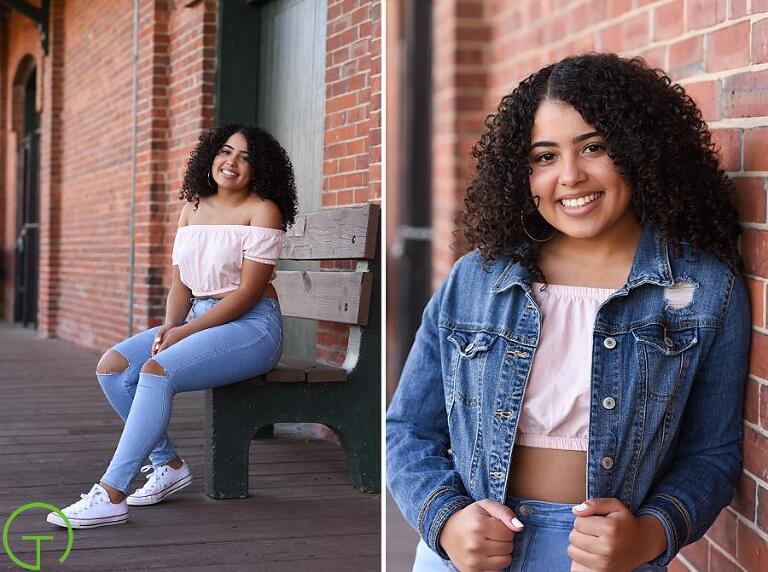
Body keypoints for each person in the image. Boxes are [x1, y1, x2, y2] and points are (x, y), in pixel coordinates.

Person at [387, 53, 751, 572]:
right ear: (523, 173)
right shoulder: (476, 280)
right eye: (544, 156)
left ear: (640, 151)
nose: (571, 176)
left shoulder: (704, 290)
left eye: (594, 148)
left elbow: (712, 456)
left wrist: (649, 536)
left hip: (609, 559)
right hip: (469, 550)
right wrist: (446, 521)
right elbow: (407, 429)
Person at [47, 124, 298, 528]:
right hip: (200, 319)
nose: (231, 163)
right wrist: (170, 328)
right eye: (226, 152)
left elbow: (248, 293)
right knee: (113, 367)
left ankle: (112, 493)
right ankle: (168, 465)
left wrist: (184, 334)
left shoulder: (262, 209)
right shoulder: (192, 207)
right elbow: (181, 283)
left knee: (156, 372)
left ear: (260, 168)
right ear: (212, 155)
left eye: (245, 157)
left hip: (252, 328)